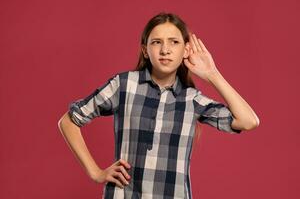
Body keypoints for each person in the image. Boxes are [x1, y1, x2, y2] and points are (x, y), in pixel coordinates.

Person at [58, 12, 259, 199]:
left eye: (174, 42)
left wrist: (212, 74)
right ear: (145, 50)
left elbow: (248, 121)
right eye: (156, 42)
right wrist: (95, 172)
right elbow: (69, 121)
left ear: (185, 49)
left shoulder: (192, 99)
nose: (165, 50)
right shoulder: (124, 85)